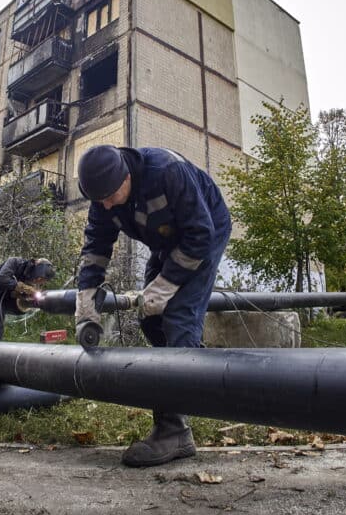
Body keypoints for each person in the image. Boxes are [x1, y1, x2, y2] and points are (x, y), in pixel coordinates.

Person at [75, 145, 232, 467]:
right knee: (150, 319)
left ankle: (174, 430)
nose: (104, 204)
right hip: (167, 242)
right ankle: (192, 367)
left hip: (204, 234)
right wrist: (86, 295)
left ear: (126, 176)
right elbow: (96, 247)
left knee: (177, 316)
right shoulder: (103, 196)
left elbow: (200, 236)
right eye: (98, 199)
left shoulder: (167, 172)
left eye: (108, 196)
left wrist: (166, 285)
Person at [0, 257, 55, 341]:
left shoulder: (28, 279)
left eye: (42, 280)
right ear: (37, 266)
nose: (38, 281)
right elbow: (2, 278)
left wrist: (28, 297)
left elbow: (14, 295)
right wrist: (25, 288)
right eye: (40, 278)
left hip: (0, 303)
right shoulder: (15, 262)